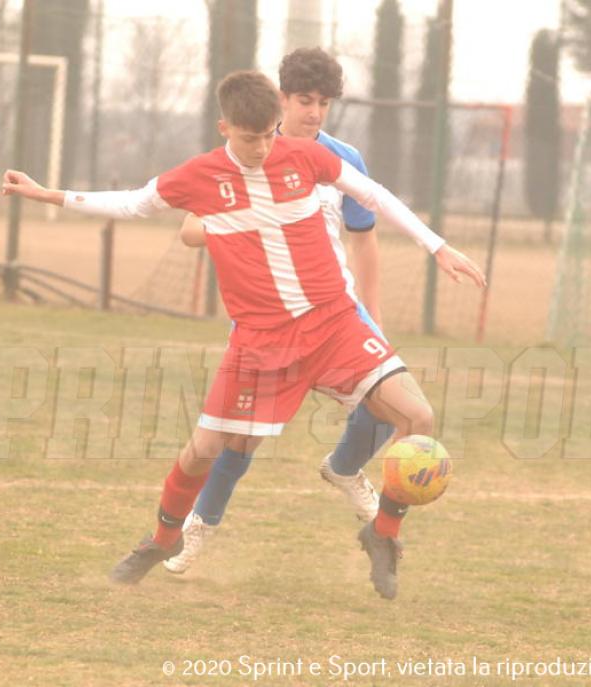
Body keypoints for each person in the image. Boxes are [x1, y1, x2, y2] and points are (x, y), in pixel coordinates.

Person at [2, 70, 485, 600]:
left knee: (418, 418)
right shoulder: (200, 176)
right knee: (203, 451)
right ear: (225, 128)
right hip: (262, 342)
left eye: (269, 134)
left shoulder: (306, 157)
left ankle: (382, 534)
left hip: (333, 324)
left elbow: (374, 196)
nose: (262, 148)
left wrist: (437, 246)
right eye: (250, 137)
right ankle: (162, 539)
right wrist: (47, 195)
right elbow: (133, 203)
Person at [163, 47, 395, 576]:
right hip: (268, 322)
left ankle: (344, 468)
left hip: (336, 313)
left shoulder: (344, 160)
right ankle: (197, 530)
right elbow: (190, 228)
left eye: (325, 103)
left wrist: (374, 316)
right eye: (305, 101)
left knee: (389, 401)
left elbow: (364, 238)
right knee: (238, 439)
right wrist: (230, 223)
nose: (314, 113)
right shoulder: (246, 152)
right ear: (282, 99)